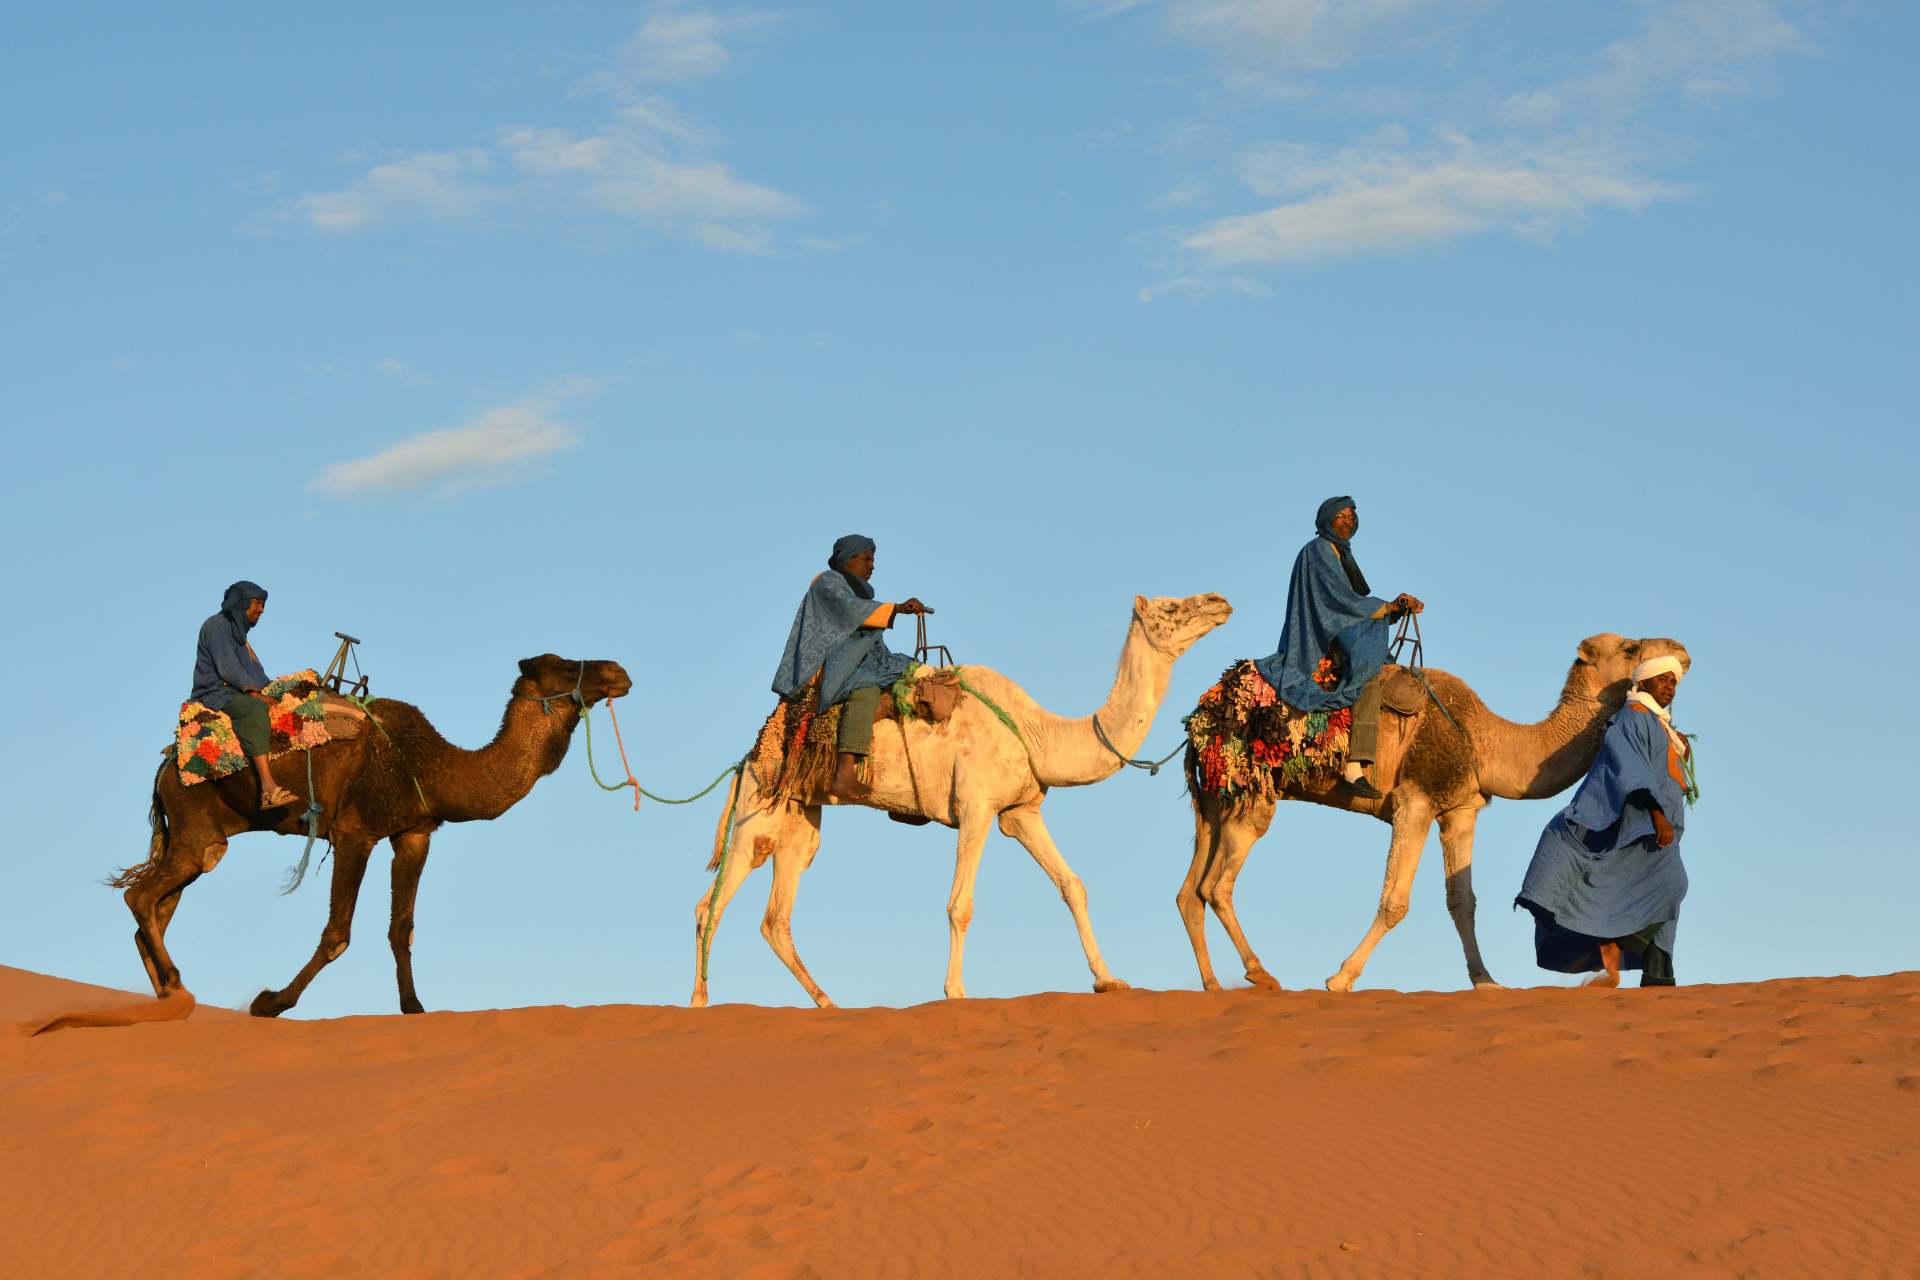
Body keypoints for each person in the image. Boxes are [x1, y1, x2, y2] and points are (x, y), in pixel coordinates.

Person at [1515, 655, 1693, 988]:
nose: (1669, 687)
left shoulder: (1659, 724)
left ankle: (1657, 978)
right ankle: (1633, 955)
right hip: (1641, 825)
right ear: (1643, 683)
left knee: (1662, 893)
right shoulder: (1633, 717)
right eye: (1662, 680)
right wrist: (1655, 812)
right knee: (1673, 882)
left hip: (1658, 832)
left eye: (1673, 682)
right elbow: (1629, 767)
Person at [1253, 496, 1424, 799]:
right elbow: (1341, 602)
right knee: (1368, 673)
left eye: (1351, 516)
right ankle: (1354, 767)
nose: (1347, 521)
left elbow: (1353, 604)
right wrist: (1389, 606)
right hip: (1322, 629)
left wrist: (1395, 610)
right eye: (1341, 516)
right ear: (1326, 520)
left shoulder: (1341, 553)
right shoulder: (1319, 551)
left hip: (1339, 622)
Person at [771, 536, 929, 800]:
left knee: (902, 680)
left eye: (873, 560)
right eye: (867, 559)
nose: (872, 566)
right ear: (848, 560)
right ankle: (844, 771)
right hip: (823, 666)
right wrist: (897, 609)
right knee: (866, 688)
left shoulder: (857, 594)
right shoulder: (828, 583)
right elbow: (849, 611)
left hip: (849, 661)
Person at [191, 580, 297, 808]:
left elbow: (255, 673)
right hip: (217, 692)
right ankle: (268, 787)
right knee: (255, 710)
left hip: (235, 689)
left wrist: (281, 689)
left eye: (263, 603)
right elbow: (229, 669)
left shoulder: (239, 636)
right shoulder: (216, 626)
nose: (262, 609)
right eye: (258, 603)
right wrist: (255, 694)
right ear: (241, 604)